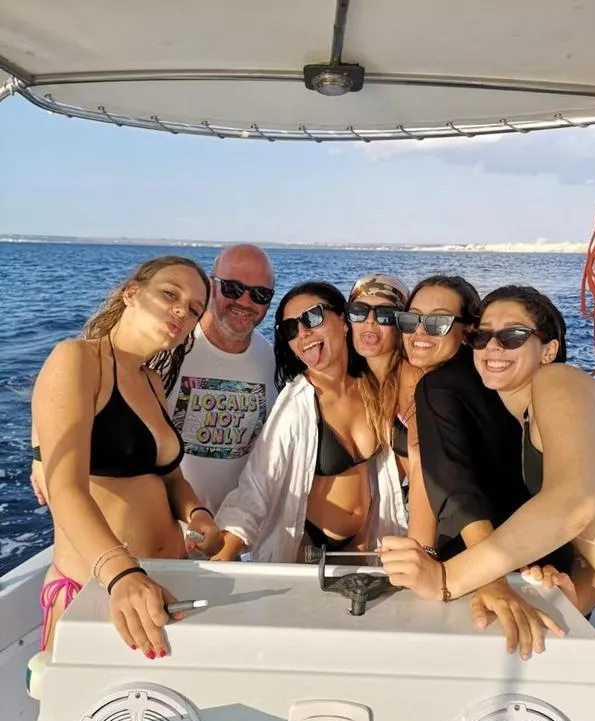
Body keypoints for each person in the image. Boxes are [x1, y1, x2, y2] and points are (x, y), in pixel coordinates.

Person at [31, 255, 223, 655]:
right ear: (131, 293)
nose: (181, 311)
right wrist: (122, 574)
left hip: (165, 582)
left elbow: (170, 478)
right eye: (170, 294)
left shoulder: (153, 382)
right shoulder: (77, 359)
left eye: (194, 310)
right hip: (102, 590)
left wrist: (198, 515)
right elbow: (64, 487)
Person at [381, 285, 595, 632]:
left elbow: (575, 503)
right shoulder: (530, 421)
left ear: (549, 350)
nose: (493, 346)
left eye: (513, 335)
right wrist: (572, 598)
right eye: (482, 337)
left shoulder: (558, 380)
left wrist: (448, 578)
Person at [212, 281, 407, 562]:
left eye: (313, 317)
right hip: (309, 545)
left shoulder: (370, 385)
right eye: (290, 329)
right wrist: (225, 553)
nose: (302, 333)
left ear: (343, 321)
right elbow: (258, 483)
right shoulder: (297, 403)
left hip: (366, 540)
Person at [167, 244, 277, 519]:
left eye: (260, 294)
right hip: (169, 526)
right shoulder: (170, 347)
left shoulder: (270, 358)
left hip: (237, 529)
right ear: (210, 285)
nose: (245, 302)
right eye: (232, 288)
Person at [346, 272, 435, 554]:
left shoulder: (411, 378)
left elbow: (424, 462)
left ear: (401, 324)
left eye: (385, 315)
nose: (370, 321)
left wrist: (420, 547)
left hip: (428, 523)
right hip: (392, 524)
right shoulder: (363, 382)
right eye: (359, 311)